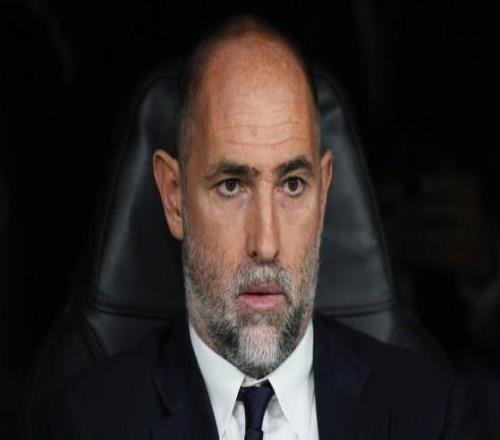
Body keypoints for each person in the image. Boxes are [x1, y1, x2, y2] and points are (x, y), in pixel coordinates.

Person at [46, 16, 478, 439]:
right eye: (231, 186)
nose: (266, 243)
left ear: (324, 195)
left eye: (293, 185)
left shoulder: (432, 414)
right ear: (174, 197)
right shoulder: (86, 424)